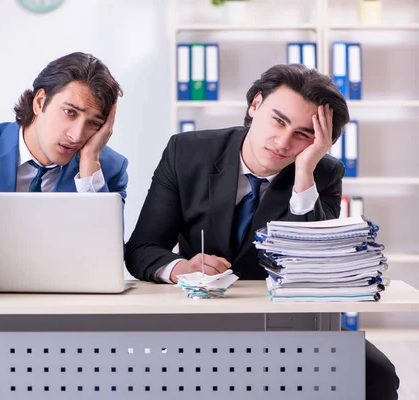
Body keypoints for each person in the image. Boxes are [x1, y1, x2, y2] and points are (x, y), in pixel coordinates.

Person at [125, 64, 399, 400]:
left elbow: (316, 267)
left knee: (378, 376)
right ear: (255, 105)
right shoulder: (187, 153)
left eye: (304, 134)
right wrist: (180, 268)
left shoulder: (323, 173)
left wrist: (305, 172)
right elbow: (142, 248)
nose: (283, 142)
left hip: (289, 323)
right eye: (279, 121)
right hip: (203, 316)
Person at [0, 52, 128, 288]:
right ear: (39, 102)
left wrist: (89, 163)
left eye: (93, 123)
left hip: (62, 309)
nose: (76, 135)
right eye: (70, 113)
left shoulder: (106, 169)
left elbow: (106, 263)